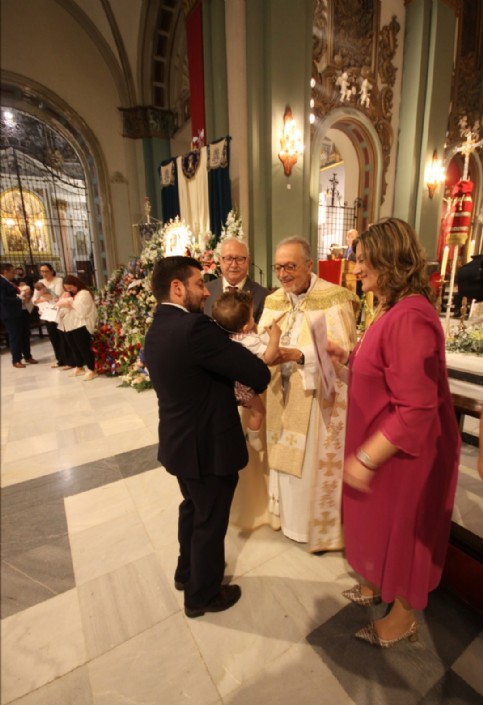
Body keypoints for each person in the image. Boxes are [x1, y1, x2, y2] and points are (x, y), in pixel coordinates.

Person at [326, 218, 460, 647]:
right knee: (380, 528)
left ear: (389, 260)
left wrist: (365, 459)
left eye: (363, 260)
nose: (356, 268)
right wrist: (347, 359)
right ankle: (378, 586)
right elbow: (386, 373)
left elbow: (417, 408)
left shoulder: (410, 317)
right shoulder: (391, 309)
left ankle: (403, 617)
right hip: (388, 449)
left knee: (403, 535)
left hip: (406, 457)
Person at [143, 256, 270, 618]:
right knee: (209, 522)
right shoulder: (194, 328)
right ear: (177, 288)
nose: (206, 292)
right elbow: (256, 374)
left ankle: (187, 573)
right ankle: (203, 595)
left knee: (192, 510)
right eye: (200, 284)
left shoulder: (158, 326)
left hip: (180, 443)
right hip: (207, 447)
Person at [257, 236, 358, 551]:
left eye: (290, 266)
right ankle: (285, 516)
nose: (283, 274)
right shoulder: (274, 300)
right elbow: (261, 340)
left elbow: (342, 354)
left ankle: (305, 526)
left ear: (309, 265)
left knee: (307, 465)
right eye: (278, 268)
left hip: (315, 400)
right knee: (282, 460)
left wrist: (296, 355)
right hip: (279, 394)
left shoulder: (335, 298)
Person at [211, 290, 282, 451]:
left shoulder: (226, 335)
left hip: (230, 384)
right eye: (251, 317)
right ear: (244, 326)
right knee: (259, 411)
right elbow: (268, 358)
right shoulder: (248, 341)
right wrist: (275, 337)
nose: (253, 319)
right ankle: (252, 435)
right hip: (243, 389)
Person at [203, 237, 269, 322]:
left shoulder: (263, 296)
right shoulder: (205, 292)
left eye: (240, 259)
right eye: (228, 259)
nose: (234, 265)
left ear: (248, 261)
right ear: (220, 261)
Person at [56, 275, 97, 381]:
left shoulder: (84, 293)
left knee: (83, 348)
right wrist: (64, 303)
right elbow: (65, 309)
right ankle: (79, 366)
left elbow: (82, 310)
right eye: (67, 288)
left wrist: (68, 302)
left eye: (70, 287)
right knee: (73, 347)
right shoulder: (71, 295)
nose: (69, 290)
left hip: (81, 324)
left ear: (75, 284)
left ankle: (91, 369)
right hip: (69, 324)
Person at [0, 262, 38, 368]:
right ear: (5, 271)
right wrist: (20, 299)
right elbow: (3, 299)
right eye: (12, 272)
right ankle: (16, 360)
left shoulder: (8, 281)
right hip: (10, 314)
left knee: (25, 334)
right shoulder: (1, 282)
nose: (14, 274)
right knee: (15, 337)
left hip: (21, 311)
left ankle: (28, 356)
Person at [32, 263, 65, 368]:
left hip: (59, 311)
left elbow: (57, 296)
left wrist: (43, 297)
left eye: (46, 271)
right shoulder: (40, 282)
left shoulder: (58, 280)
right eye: (42, 271)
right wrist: (45, 298)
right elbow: (34, 300)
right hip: (47, 312)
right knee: (53, 336)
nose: (44, 273)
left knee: (62, 336)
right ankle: (59, 359)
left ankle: (68, 359)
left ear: (51, 271)